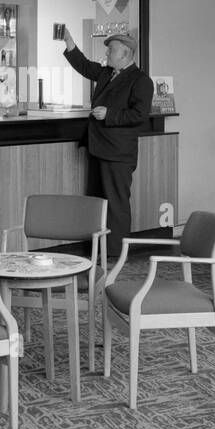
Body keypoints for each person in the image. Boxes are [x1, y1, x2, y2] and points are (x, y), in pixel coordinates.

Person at [62, 30, 154, 258]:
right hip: (98, 148)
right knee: (97, 201)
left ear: (124, 53)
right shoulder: (106, 73)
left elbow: (139, 115)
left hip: (118, 153)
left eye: (111, 50)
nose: (107, 53)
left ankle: (114, 253)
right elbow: (84, 66)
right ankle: (97, 249)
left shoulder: (141, 80)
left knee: (116, 204)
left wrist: (110, 114)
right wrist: (70, 43)